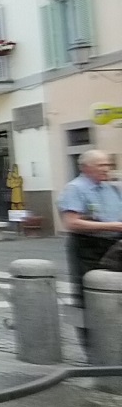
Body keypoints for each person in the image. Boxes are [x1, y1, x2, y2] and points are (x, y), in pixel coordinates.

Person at [59, 149, 122, 347]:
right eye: (101, 165)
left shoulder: (111, 188)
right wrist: (113, 226)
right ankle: (91, 346)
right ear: (86, 168)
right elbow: (71, 223)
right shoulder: (75, 188)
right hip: (86, 246)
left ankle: (113, 341)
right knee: (86, 294)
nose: (106, 169)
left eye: (108, 164)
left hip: (113, 245)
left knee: (113, 291)